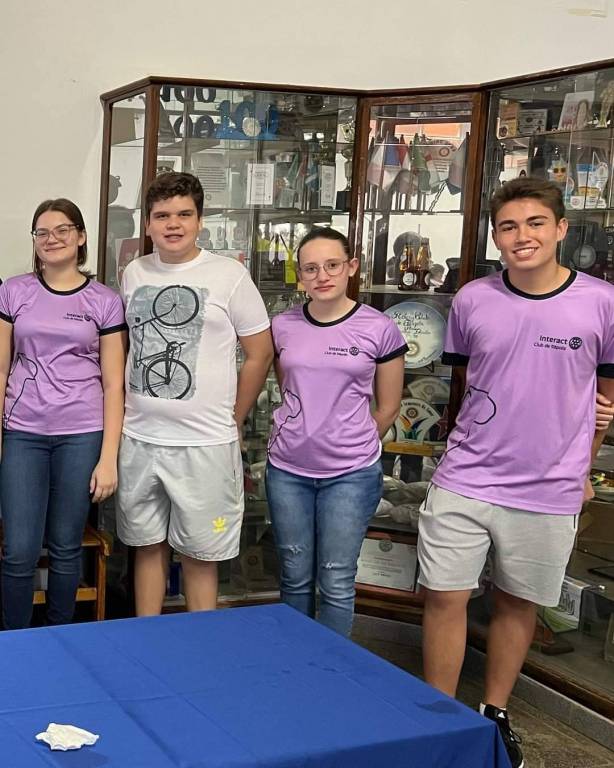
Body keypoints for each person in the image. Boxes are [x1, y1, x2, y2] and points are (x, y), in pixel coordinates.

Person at [418, 176, 614, 768]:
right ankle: (439, 719)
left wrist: (583, 466)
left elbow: (605, 395)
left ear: (560, 229)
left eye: (535, 223)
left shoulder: (602, 301)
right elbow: (466, 381)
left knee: (517, 602)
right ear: (495, 236)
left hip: (548, 485)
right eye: (508, 226)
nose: (522, 236)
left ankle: (494, 713)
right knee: (444, 595)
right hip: (466, 476)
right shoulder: (472, 299)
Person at [117, 172, 273, 616]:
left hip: (204, 443)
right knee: (147, 546)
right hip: (141, 437)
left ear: (200, 220)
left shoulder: (229, 275)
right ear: (148, 223)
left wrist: (235, 417)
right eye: (162, 215)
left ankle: (199, 645)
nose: (173, 224)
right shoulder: (134, 273)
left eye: (184, 214)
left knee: (201, 555)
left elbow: (260, 353)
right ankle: (147, 638)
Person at [265, 227, 406, 637]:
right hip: (287, 470)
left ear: (351, 267)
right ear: (300, 275)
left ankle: (330, 668)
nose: (322, 276)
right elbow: (288, 389)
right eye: (311, 268)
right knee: (293, 574)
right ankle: (293, 660)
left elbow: (389, 406)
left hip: (350, 474)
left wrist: (351, 440)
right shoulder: (282, 326)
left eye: (332, 265)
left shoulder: (379, 328)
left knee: (336, 579)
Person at [0, 199, 126, 629]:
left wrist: (108, 458)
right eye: (42, 232)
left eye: (62, 230)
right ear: (34, 240)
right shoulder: (13, 291)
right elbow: (1, 368)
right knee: (19, 550)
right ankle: (15, 642)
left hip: (82, 434)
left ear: (81, 236)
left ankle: (60, 637)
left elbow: (113, 385)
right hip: (23, 433)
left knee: (66, 546)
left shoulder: (104, 300)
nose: (51, 239)